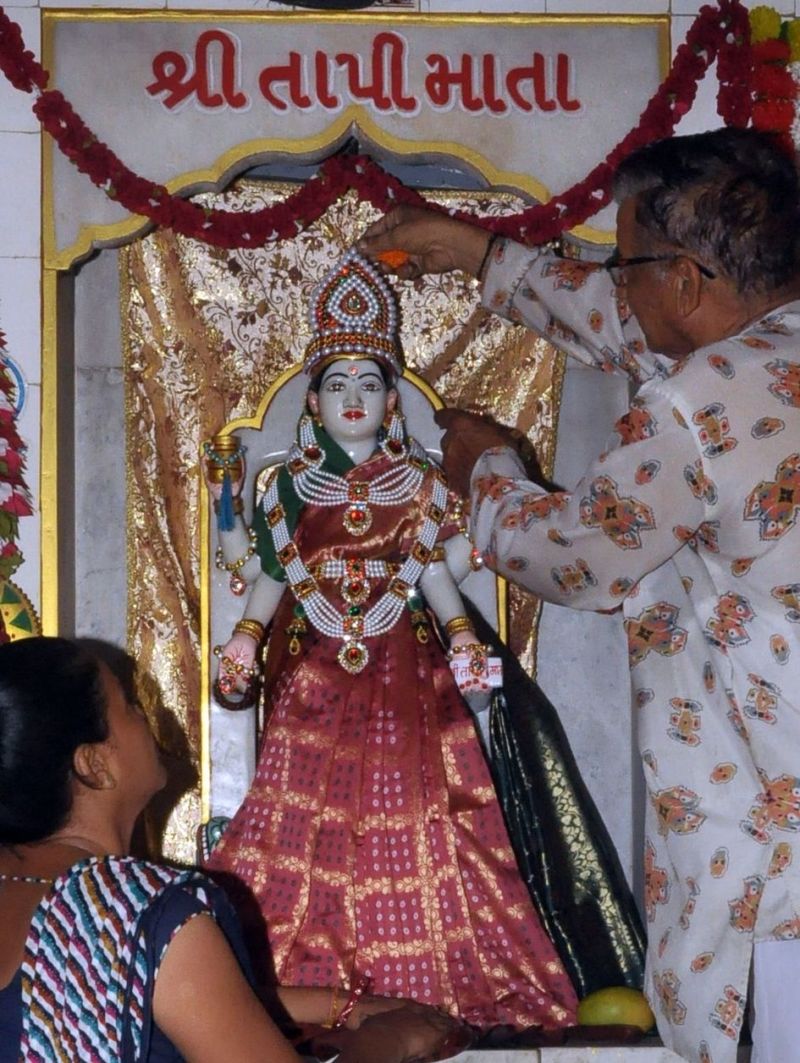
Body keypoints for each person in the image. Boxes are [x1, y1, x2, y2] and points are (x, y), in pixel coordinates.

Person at [359, 126, 800, 1063]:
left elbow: (572, 557)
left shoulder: (699, 403)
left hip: (772, 886)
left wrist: (486, 470)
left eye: (625, 264)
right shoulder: (757, 355)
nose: (615, 285)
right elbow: (631, 324)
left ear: (685, 280)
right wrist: (480, 256)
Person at [204, 248, 579, 1032]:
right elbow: (272, 573)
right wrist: (244, 639)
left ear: (392, 400)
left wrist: (462, 636)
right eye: (338, 384)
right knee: (297, 817)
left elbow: (433, 574)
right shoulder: (289, 487)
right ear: (313, 400)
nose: (353, 398)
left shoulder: (420, 487)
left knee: (417, 810)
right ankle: (299, 981)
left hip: (405, 669)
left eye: (369, 384)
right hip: (314, 672)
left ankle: (423, 979)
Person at [0, 635, 467, 1062]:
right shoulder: (143, 913)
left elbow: (149, 997)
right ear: (94, 765)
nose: (148, 719)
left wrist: (339, 1004)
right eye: (130, 707)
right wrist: (390, 1039)